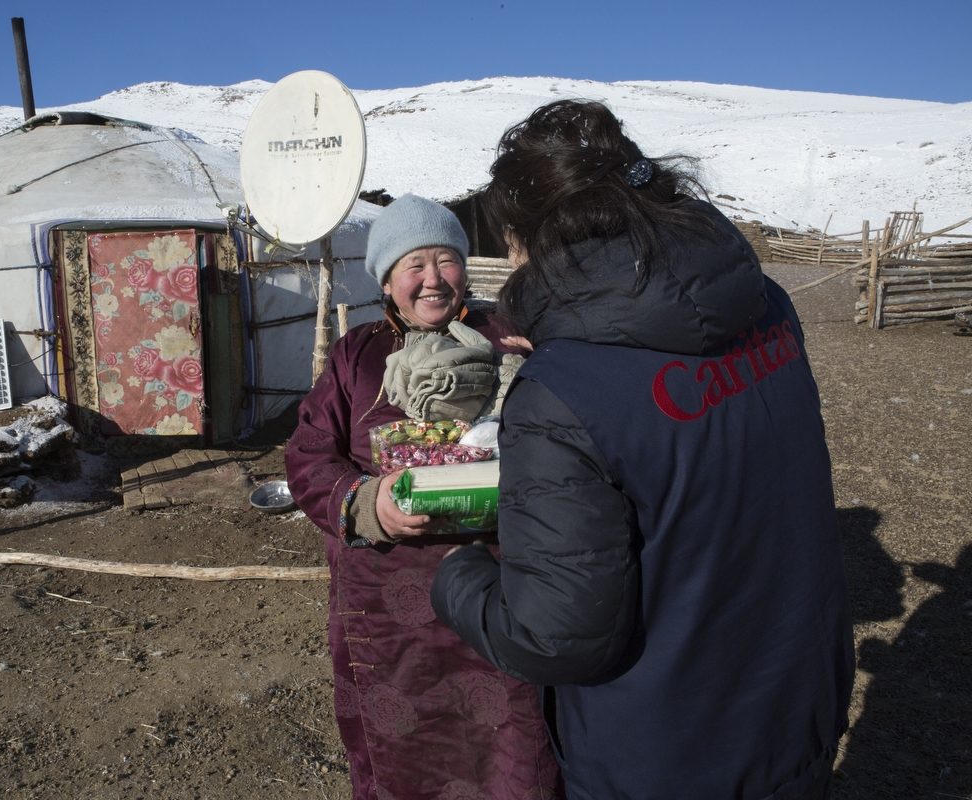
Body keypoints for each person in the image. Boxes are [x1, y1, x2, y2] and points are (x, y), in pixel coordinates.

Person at [430, 100, 855, 800]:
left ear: (526, 235)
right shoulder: (766, 305)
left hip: (663, 751)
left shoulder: (559, 395)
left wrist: (459, 576)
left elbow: (557, 635)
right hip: (795, 708)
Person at [286, 194, 562, 800]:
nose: (433, 280)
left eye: (447, 260)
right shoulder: (356, 356)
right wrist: (365, 502)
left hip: (503, 581)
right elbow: (307, 458)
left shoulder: (510, 336)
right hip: (388, 605)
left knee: (514, 743)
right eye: (415, 265)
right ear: (387, 279)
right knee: (400, 752)